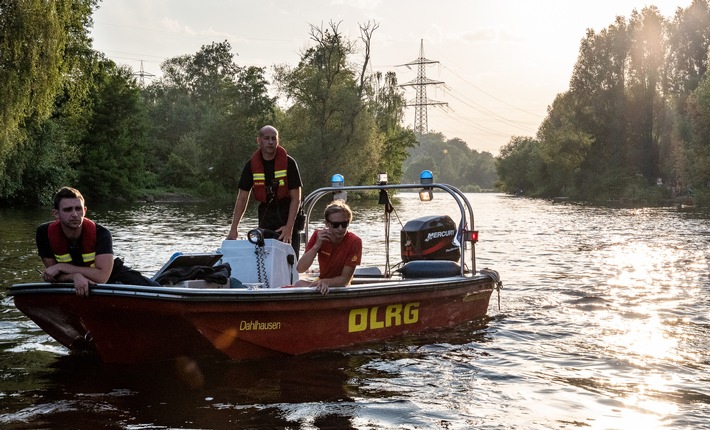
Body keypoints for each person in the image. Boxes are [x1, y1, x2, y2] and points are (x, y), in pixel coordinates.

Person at [36, 186, 155, 296]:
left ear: (85, 210)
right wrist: (74, 276)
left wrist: (62, 267)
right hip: (72, 280)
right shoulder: (44, 233)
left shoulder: (102, 233)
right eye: (68, 210)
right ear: (56, 213)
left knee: (155, 290)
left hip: (112, 274)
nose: (75, 214)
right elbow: (52, 275)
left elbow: (102, 278)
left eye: (78, 209)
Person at [227, 125, 303, 255]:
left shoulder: (289, 163)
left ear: (278, 141)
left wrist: (289, 227)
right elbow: (242, 198)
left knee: (290, 259)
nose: (271, 142)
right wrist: (233, 229)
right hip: (266, 215)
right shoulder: (251, 165)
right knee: (265, 256)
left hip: (288, 214)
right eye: (267, 138)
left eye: (274, 138)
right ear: (259, 140)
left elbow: (296, 198)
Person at [294, 200, 362, 294]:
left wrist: (325, 282)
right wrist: (317, 246)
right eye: (335, 225)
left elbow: (345, 279)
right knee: (298, 284)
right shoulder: (318, 235)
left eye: (344, 224)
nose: (340, 229)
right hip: (322, 280)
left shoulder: (355, 241)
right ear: (326, 224)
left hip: (340, 286)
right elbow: (300, 268)